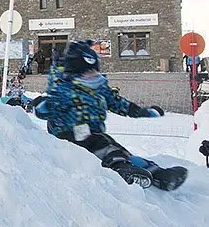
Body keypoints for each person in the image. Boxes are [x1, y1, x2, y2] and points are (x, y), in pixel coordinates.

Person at [40, 40, 187, 191]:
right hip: (68, 136)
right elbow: (49, 108)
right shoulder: (64, 90)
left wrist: (141, 111)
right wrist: (44, 106)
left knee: (117, 149)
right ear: (75, 73)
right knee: (106, 147)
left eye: (94, 71)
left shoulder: (99, 88)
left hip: (94, 134)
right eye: (87, 73)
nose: (93, 76)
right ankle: (121, 170)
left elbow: (118, 103)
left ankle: (158, 174)